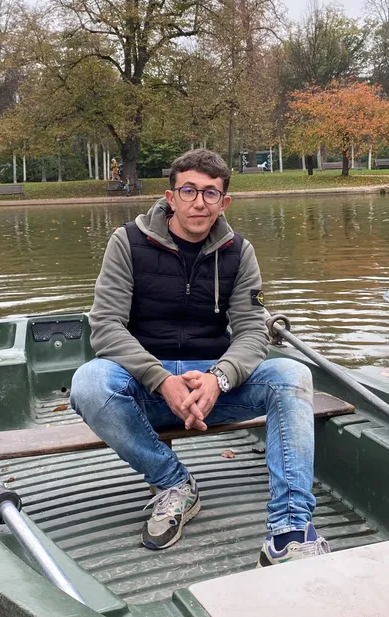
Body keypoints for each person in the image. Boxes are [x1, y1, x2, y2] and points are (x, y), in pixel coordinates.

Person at [71, 148, 328, 566]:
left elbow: (249, 331)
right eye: (188, 190)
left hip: (213, 387)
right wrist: (161, 380)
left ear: (224, 202)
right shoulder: (127, 243)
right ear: (171, 197)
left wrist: (218, 378)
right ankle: (175, 484)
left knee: (292, 375)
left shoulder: (239, 252)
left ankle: (289, 529)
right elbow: (106, 328)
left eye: (210, 193)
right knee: (89, 382)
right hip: (144, 389)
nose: (199, 201)